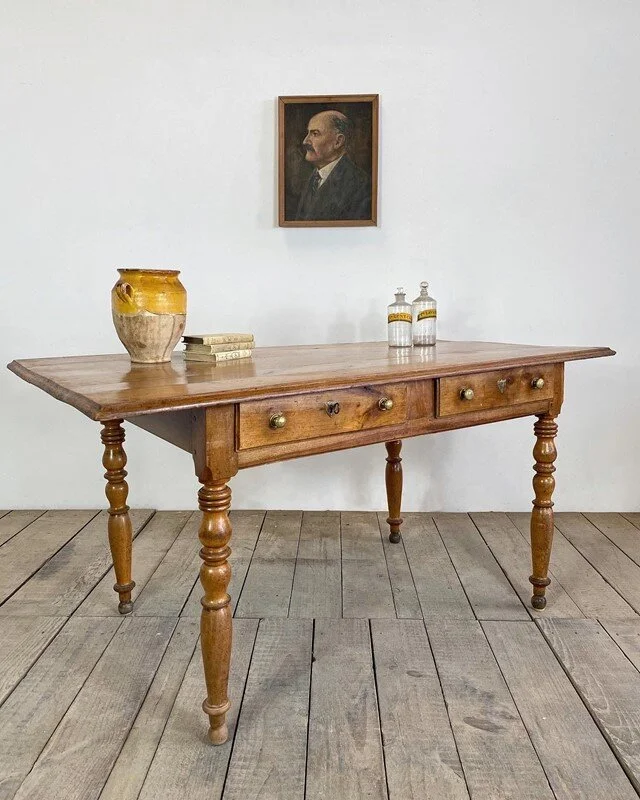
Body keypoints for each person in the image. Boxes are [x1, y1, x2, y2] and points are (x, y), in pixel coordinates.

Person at [295, 110, 371, 221]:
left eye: (315, 134)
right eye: (308, 133)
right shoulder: (314, 178)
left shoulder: (360, 185)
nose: (305, 141)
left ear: (338, 142)